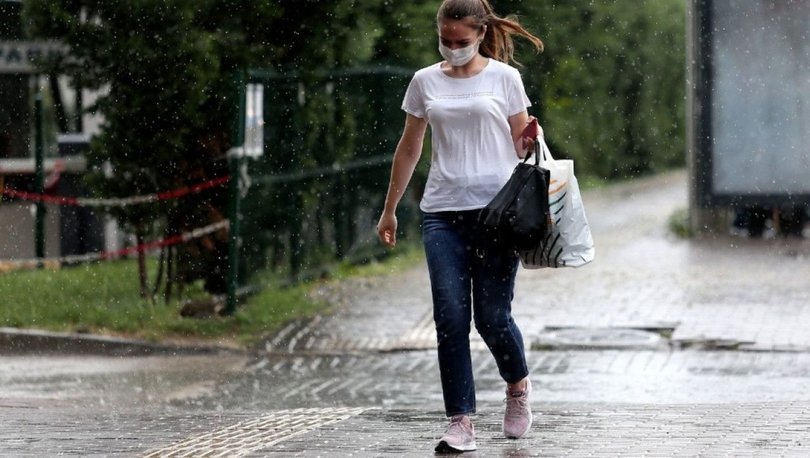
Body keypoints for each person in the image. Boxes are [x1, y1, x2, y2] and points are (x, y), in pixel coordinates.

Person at [375, 0, 544, 453]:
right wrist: (389, 209)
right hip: (442, 213)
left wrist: (531, 138)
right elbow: (409, 148)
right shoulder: (424, 82)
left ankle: (517, 386)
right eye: (445, 41)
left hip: (496, 215)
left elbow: (521, 142)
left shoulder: (505, 79)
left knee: (492, 318)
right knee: (450, 318)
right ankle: (460, 420)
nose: (452, 49)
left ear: (481, 34)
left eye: (462, 42)